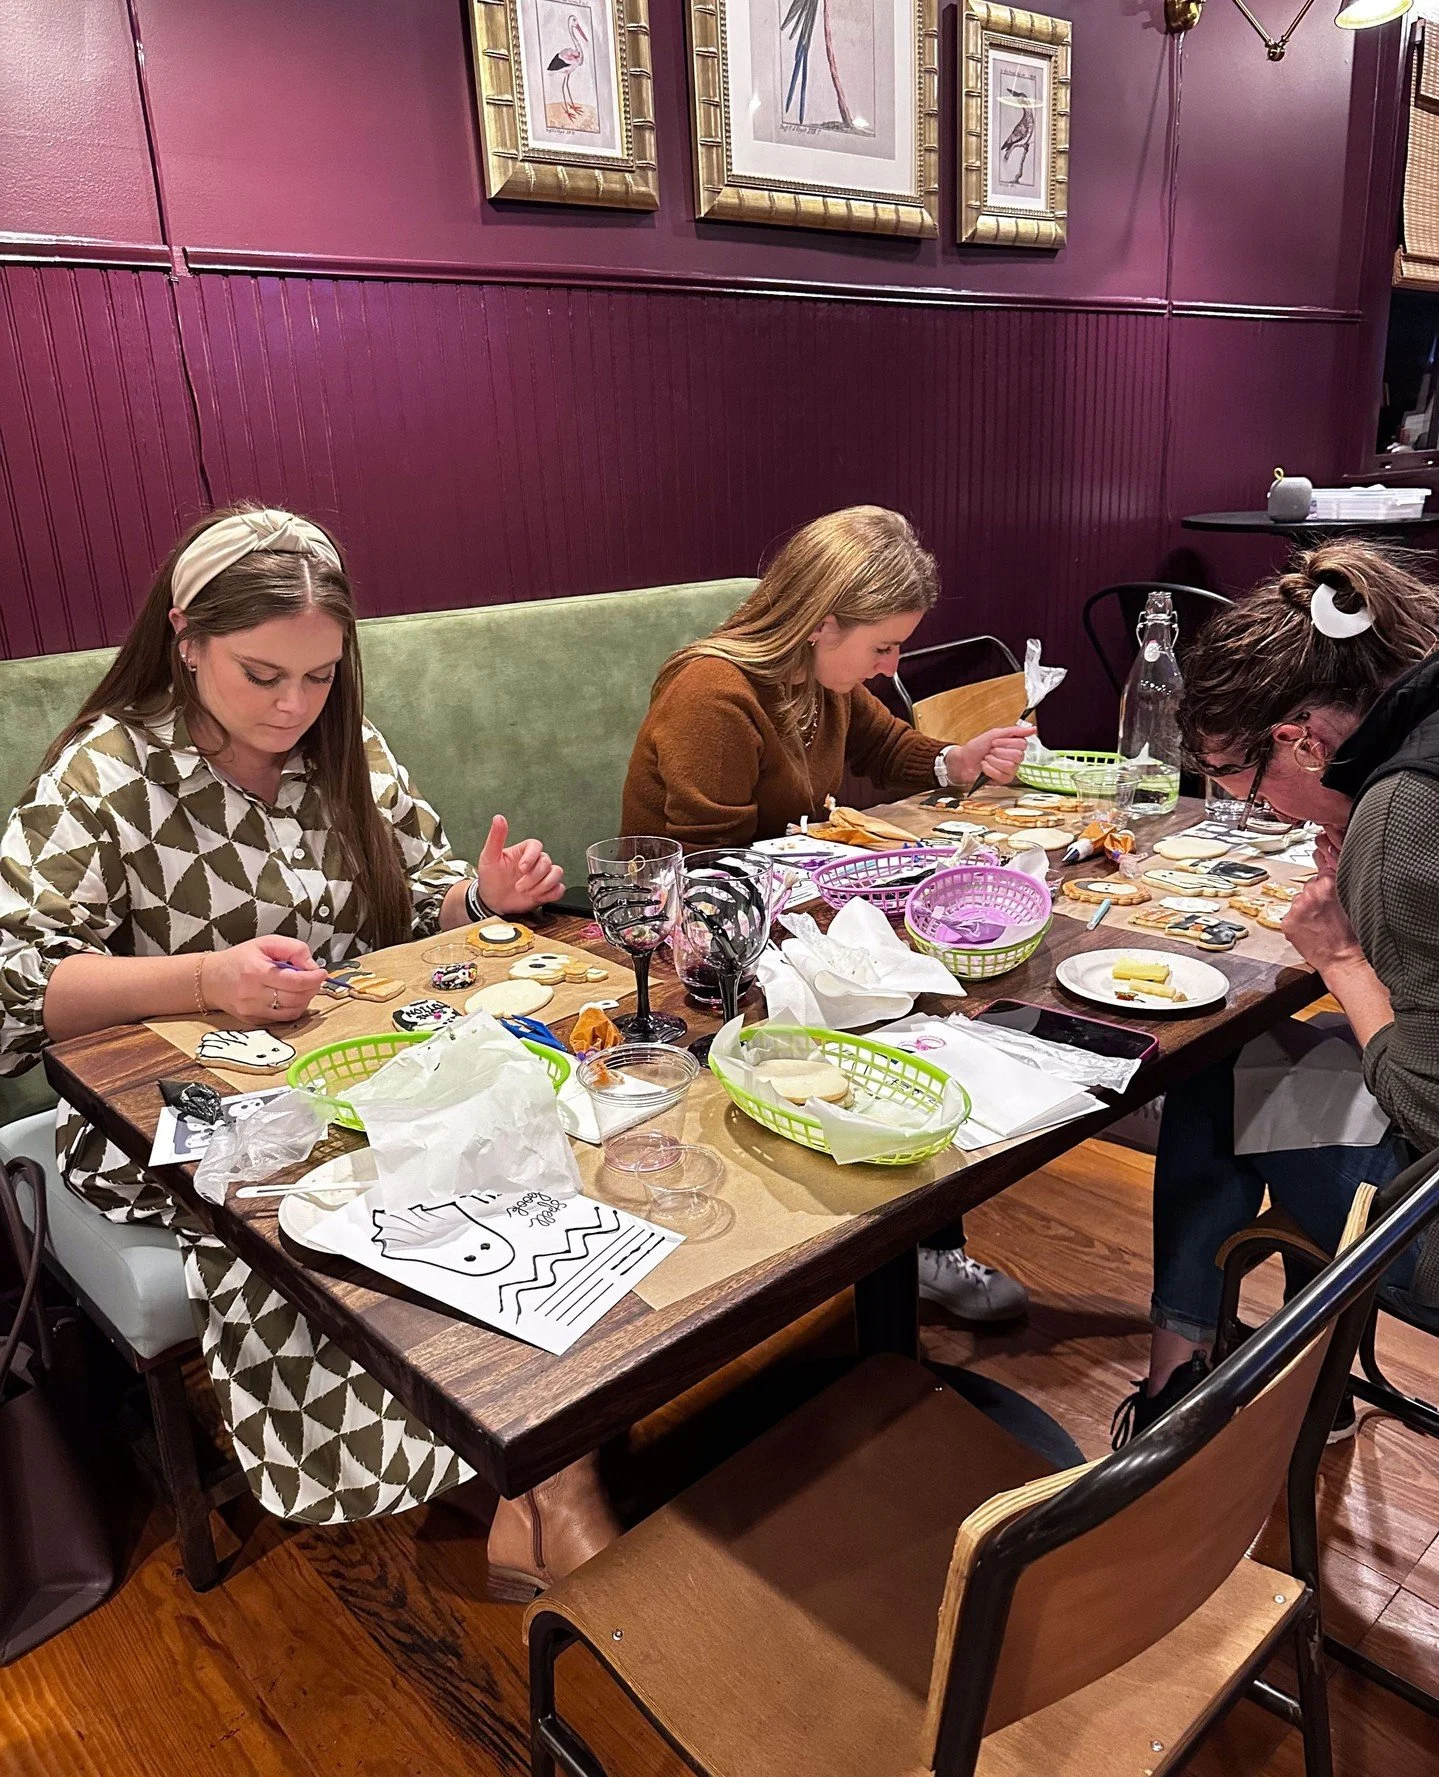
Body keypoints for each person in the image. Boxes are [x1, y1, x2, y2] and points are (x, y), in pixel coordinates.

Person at [0, 504, 614, 1596]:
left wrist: (480, 896)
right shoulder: (112, 769)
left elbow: (418, 892)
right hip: (174, 1110)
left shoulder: (343, 746)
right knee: (370, 1199)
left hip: (357, 1068)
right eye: (261, 673)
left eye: (321, 676)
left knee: (541, 1130)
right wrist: (202, 979)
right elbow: (18, 974)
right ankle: (540, 1482)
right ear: (184, 637)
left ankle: (534, 1460)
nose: (294, 706)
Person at [623, 506, 1033, 1323]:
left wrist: (958, 759)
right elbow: (706, 866)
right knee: (908, 1012)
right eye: (882, 646)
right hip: (684, 947)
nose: (891, 666)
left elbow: (883, 749)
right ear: (820, 624)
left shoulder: (817, 680)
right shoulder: (713, 692)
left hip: (770, 917)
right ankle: (890, 1248)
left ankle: (908, 1242)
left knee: (917, 1004)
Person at [1112, 542, 1439, 1446]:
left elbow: (1427, 1100)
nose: (1268, 815)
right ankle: (1283, 1384)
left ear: (1299, 738)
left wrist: (1340, 957)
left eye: (1250, 791)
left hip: (1430, 1227)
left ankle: (1171, 1401)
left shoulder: (1402, 809)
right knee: (1244, 1067)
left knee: (1218, 1074)